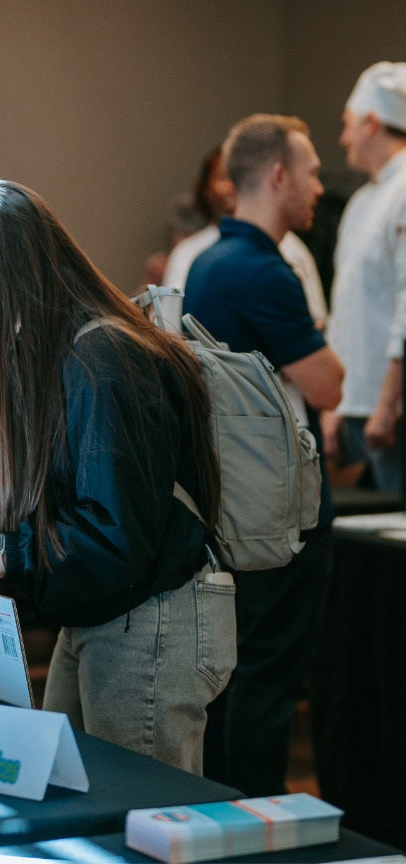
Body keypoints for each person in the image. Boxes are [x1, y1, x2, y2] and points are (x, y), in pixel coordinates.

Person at [0, 180, 236, 775]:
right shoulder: (56, 353)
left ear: (13, 272)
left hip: (151, 620)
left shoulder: (104, 358)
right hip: (109, 612)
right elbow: (63, 509)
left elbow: (115, 539)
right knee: (76, 799)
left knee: (135, 824)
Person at [183, 114, 344, 797]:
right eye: (309, 172)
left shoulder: (208, 261)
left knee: (234, 679)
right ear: (277, 176)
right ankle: (257, 829)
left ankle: (229, 815)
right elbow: (330, 382)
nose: (317, 187)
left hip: (229, 505)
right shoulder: (261, 270)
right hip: (276, 516)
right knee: (268, 684)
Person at [323, 61, 406, 493]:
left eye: (348, 125)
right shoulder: (360, 202)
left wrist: (389, 403)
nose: (343, 138)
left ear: (372, 123)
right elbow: (347, 309)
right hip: (357, 405)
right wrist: (333, 403)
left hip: (390, 413)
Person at [162, 147, 327, 332]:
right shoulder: (186, 253)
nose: (232, 185)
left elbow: (316, 318)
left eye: (238, 177)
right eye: (223, 177)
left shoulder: (289, 245)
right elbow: (170, 328)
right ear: (206, 189)